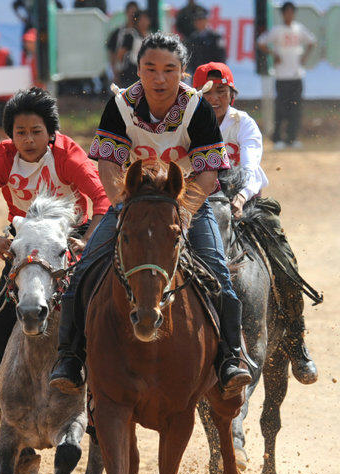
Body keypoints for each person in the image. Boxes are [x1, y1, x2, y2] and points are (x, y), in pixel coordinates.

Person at [50, 32, 253, 398]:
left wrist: (185, 212)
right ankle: (69, 358)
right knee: (83, 271)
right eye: (150, 69)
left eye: (169, 70)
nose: (160, 79)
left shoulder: (197, 108)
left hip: (187, 201)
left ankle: (229, 359)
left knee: (218, 273)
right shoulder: (120, 105)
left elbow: (208, 176)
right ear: (138, 70)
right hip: (131, 203)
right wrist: (123, 205)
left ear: (184, 72)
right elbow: (109, 166)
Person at [0, 87, 110, 409]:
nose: (28, 140)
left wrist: (87, 241)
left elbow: (103, 200)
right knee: (0, 304)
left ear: (51, 133)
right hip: (25, 238)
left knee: (96, 298)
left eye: (36, 132)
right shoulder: (1, 158)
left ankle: (104, 380)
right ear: (9, 134)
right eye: (20, 132)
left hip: (71, 234)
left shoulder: (69, 155)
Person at [193, 61, 318, 383]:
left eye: (222, 92)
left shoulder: (243, 123)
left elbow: (249, 166)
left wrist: (240, 195)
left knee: (284, 261)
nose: (216, 99)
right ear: (196, 97)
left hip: (245, 203)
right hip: (198, 206)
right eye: (208, 93)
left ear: (232, 93)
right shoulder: (187, 124)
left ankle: (296, 341)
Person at [257, 1, 316, 150]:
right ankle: (278, 138)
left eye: (291, 12)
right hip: (282, 76)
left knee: (295, 108)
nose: (289, 15)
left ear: (294, 14)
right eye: (286, 12)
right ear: (282, 14)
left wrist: (304, 58)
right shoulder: (277, 31)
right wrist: (273, 54)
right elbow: (261, 42)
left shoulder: (299, 29)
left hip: (296, 75)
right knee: (281, 108)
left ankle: (292, 138)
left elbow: (312, 42)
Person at [115, 10, 151, 87]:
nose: (144, 22)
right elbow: (120, 54)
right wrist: (117, 72)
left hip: (145, 73)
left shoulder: (150, 37)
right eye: (141, 20)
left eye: (146, 19)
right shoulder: (130, 35)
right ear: (136, 21)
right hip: (130, 73)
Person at [186, 7, 227, 76]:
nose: (199, 23)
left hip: (213, 73)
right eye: (197, 21)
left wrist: (216, 71)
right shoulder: (192, 38)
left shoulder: (215, 37)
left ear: (206, 21)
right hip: (197, 73)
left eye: (201, 20)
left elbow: (221, 56)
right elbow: (190, 57)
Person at [106, 1, 139, 82]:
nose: (132, 15)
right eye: (130, 12)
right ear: (126, 12)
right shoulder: (118, 32)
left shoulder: (141, 32)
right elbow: (113, 53)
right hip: (123, 72)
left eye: (135, 13)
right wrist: (115, 72)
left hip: (138, 72)